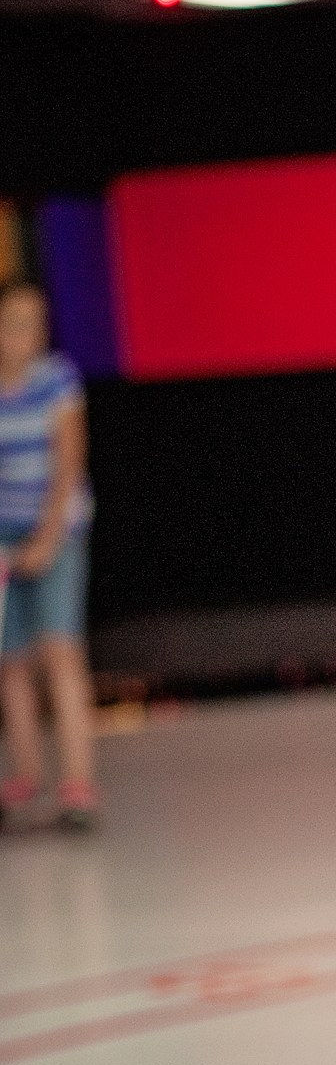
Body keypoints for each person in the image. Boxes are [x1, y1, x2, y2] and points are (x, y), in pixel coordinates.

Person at [0, 278, 101, 832]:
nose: (26, 336)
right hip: (3, 533)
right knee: (9, 661)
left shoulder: (56, 379)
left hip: (58, 528)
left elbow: (69, 463)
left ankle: (78, 785)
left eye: (35, 324)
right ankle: (25, 776)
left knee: (60, 651)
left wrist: (45, 538)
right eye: (15, 323)